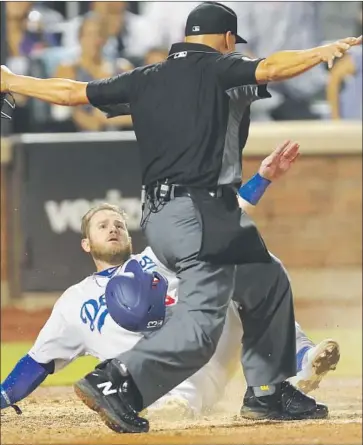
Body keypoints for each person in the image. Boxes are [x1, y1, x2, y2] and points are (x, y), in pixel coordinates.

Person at [1, 1, 360, 433]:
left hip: (171, 214)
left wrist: (11, 79)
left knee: (265, 278)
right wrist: (319, 52)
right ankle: (119, 380)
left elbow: (71, 93)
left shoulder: (144, 77)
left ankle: (267, 390)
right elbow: (272, 68)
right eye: (232, 43)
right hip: (200, 211)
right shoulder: (221, 68)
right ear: (227, 39)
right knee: (201, 325)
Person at [0, 142, 339, 418]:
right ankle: (165, 405)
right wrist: (3, 395)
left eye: (117, 222)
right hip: (141, 377)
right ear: (87, 244)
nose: (113, 227)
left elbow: (216, 223)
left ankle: (303, 360)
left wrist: (263, 178)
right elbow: (37, 361)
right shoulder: (73, 302)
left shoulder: (155, 260)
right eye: (102, 225)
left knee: (240, 279)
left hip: (202, 360)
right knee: (171, 405)